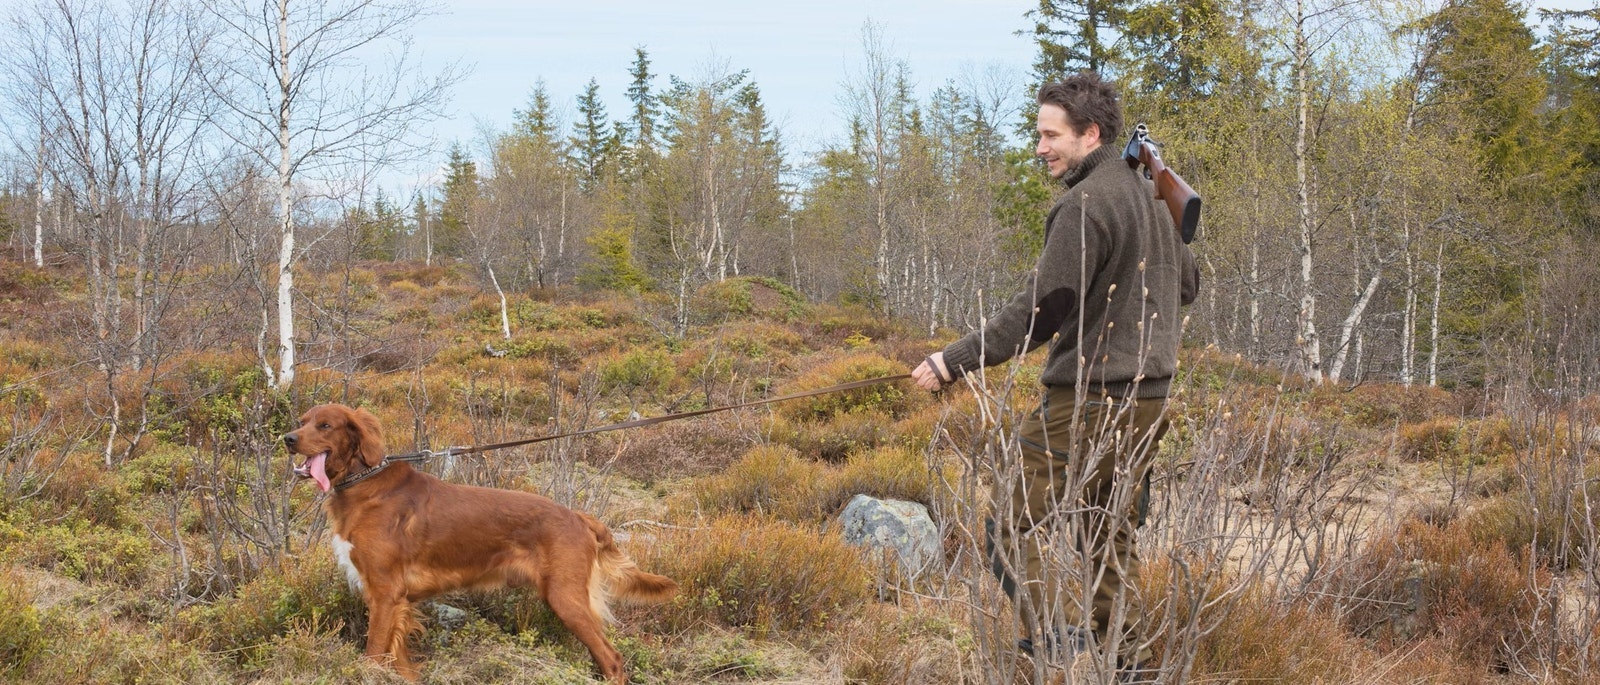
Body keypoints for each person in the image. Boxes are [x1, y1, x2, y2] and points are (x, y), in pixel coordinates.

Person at [911, 71, 1199, 680]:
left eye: (1050, 135)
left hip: (1088, 401)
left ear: (1090, 134)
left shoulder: (1084, 204)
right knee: (1108, 536)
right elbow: (1188, 286)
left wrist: (950, 362)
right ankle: (1130, 666)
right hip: (1150, 400)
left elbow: (1040, 313)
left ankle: (1054, 642)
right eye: (1038, 134)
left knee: (1007, 528)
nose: (1039, 147)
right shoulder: (1150, 198)